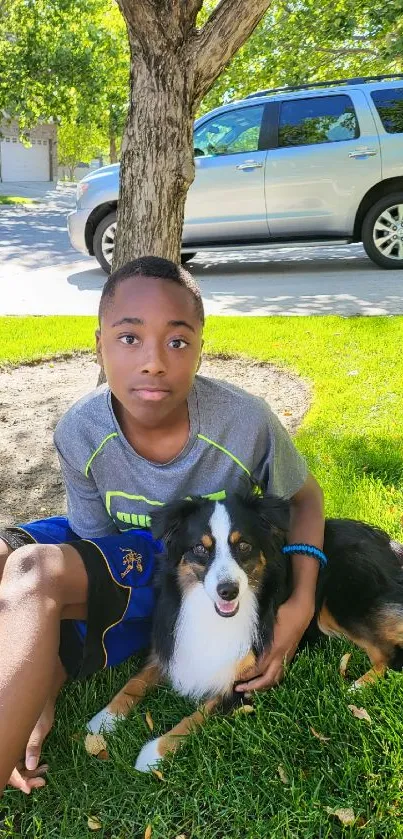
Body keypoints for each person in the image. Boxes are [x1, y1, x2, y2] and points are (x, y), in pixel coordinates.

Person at [0, 256, 324, 795]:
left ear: (200, 347)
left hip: (199, 571)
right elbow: (95, 550)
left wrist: (301, 603)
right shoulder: (81, 430)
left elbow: (306, 499)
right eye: (129, 338)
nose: (153, 362)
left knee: (33, 574)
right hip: (126, 551)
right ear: (98, 342)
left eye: (177, 341)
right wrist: (37, 673)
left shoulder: (244, 422)